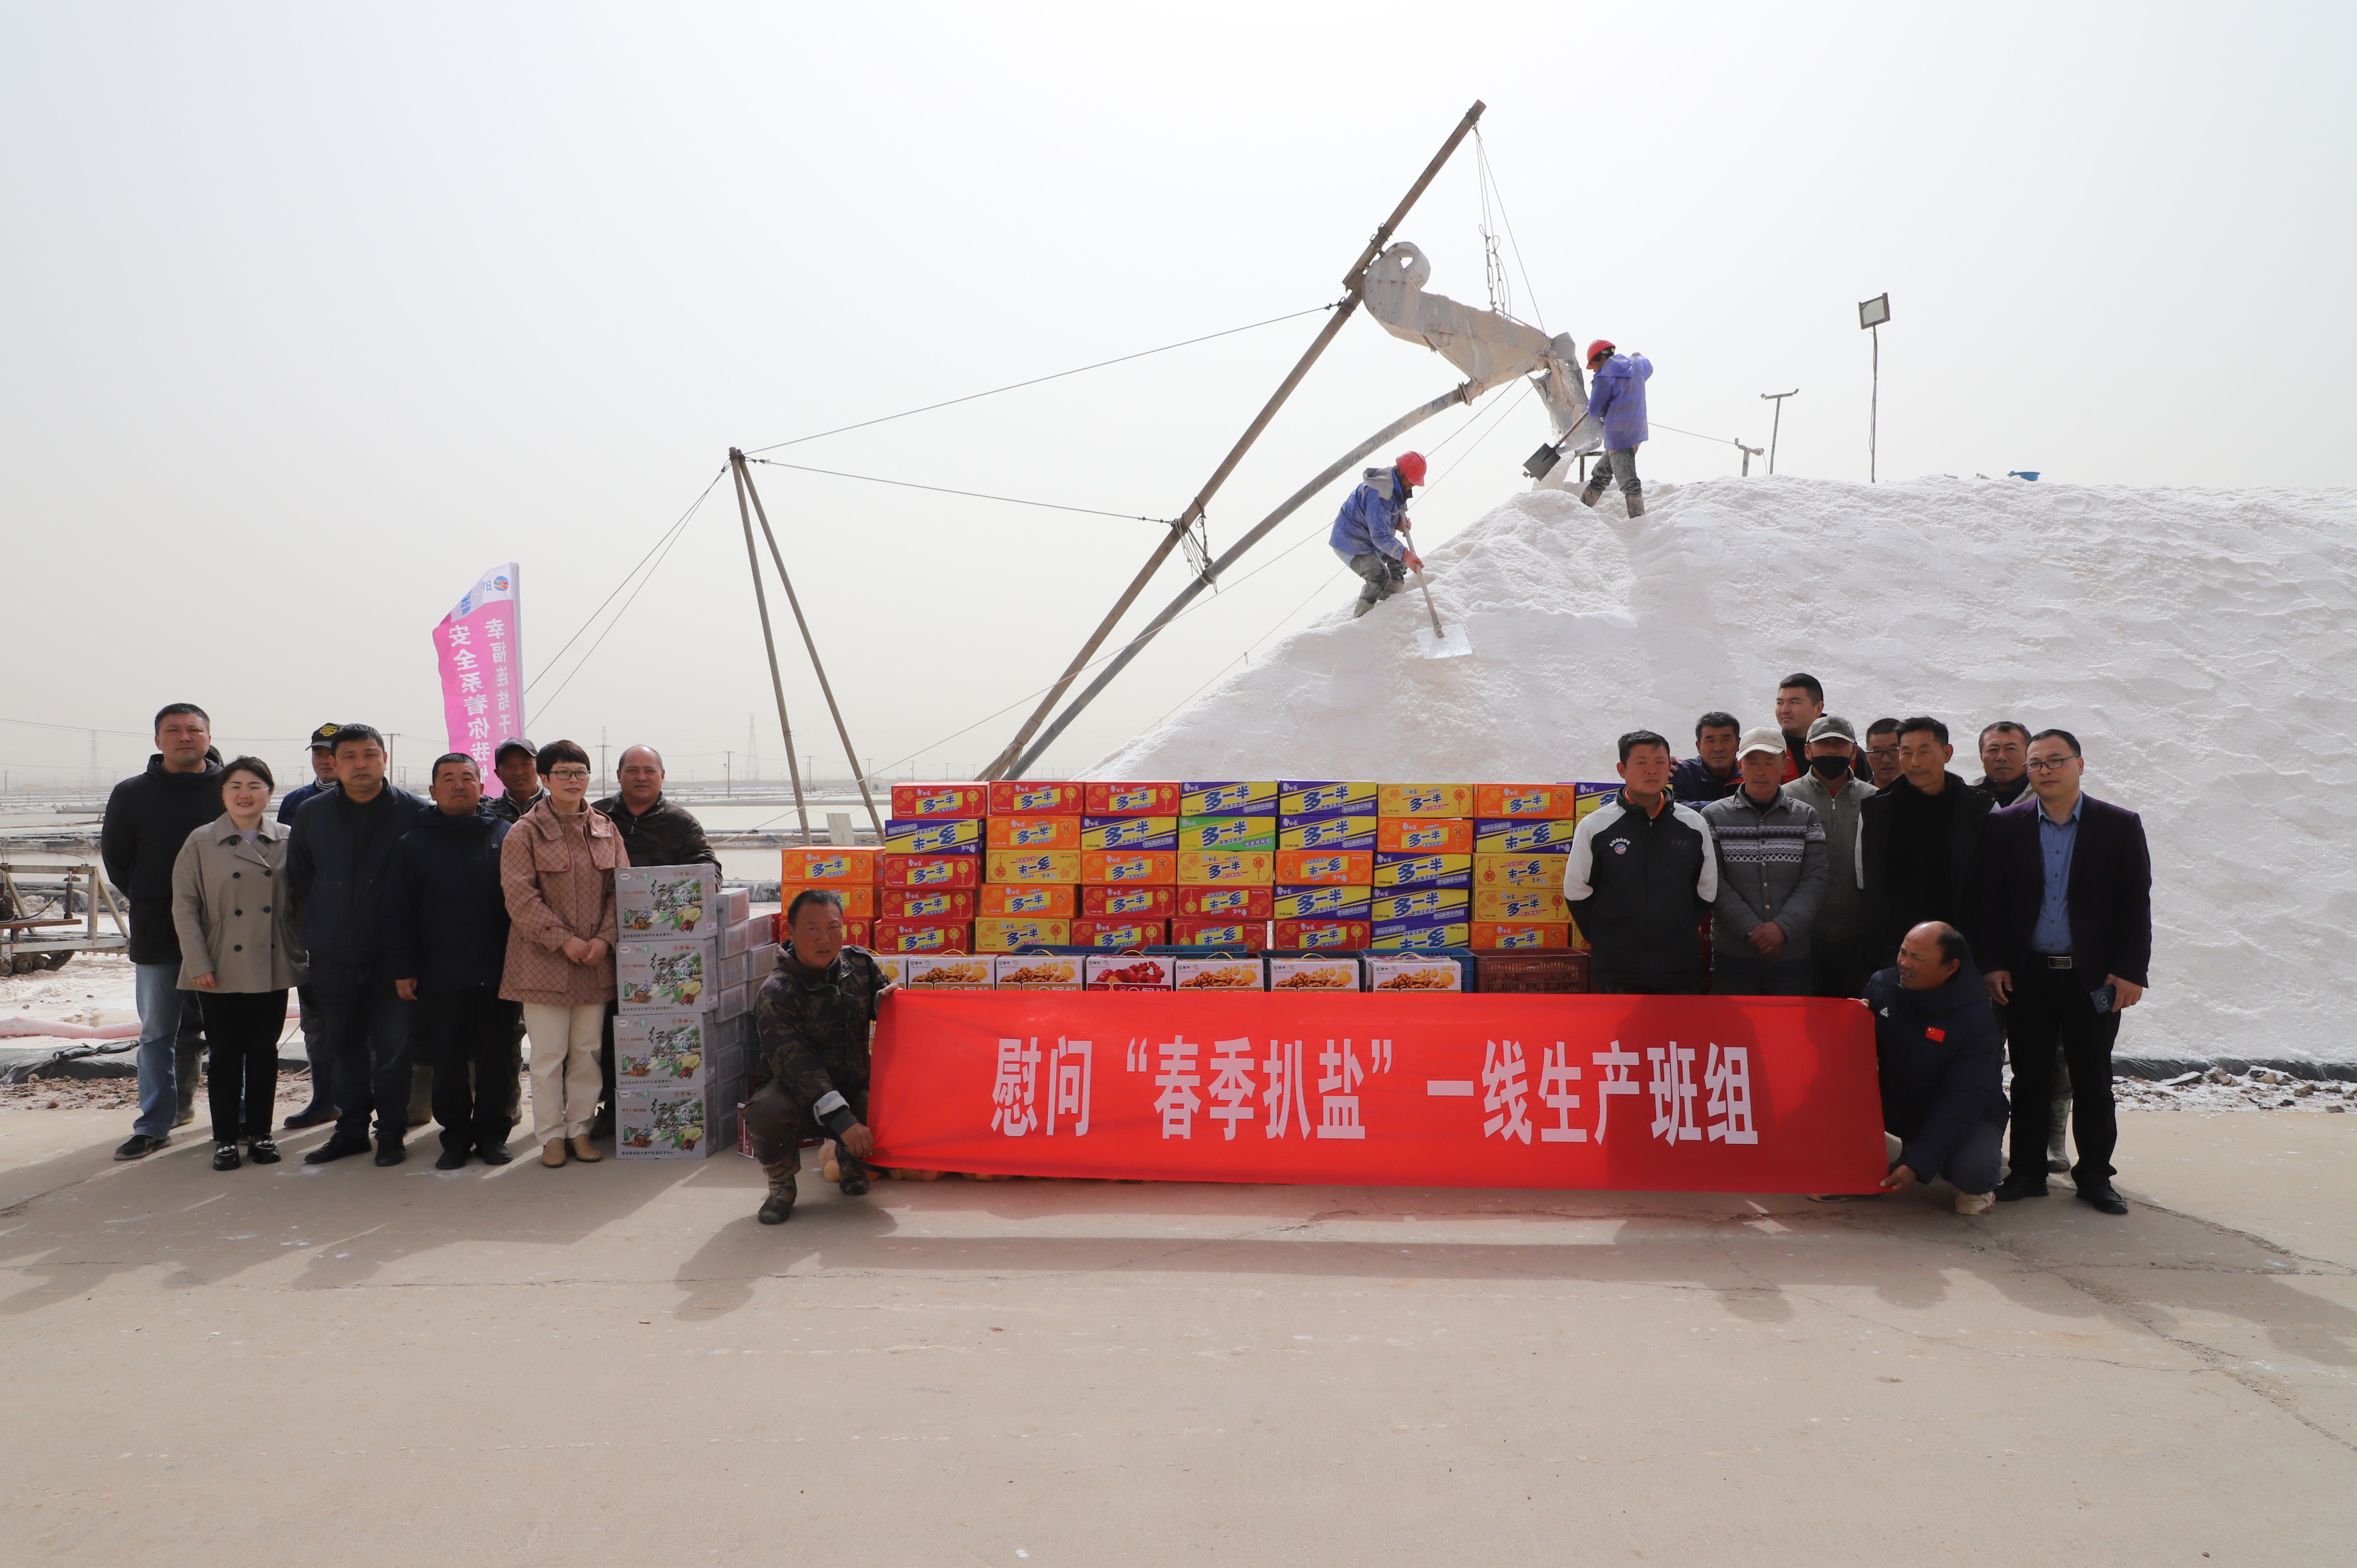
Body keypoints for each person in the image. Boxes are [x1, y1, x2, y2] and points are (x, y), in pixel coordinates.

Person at [1976, 729, 2152, 1215]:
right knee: (2029, 1076)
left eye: (2056, 761)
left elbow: (2134, 904)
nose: (2046, 771)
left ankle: (2095, 1176)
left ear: (2079, 764)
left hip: (2094, 978)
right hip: (2028, 974)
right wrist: (1993, 963)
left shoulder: (2118, 825)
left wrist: (2130, 971)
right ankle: (2027, 1172)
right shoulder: (2005, 826)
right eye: (2036, 764)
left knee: (2093, 1077)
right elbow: (1990, 903)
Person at [286, 723, 432, 1166]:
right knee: (343, 1048)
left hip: (394, 957)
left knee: (394, 1050)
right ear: (334, 762)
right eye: (349, 756)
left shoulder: (414, 812)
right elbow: (301, 880)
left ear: (385, 758)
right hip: (333, 955)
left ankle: (391, 1132)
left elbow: (426, 886)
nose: (360, 764)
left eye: (369, 754)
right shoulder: (312, 814)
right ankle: (350, 1129)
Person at [100, 703, 226, 1160]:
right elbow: (117, 860)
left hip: (224, 930)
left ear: (208, 736)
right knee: (157, 1032)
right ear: (158, 741)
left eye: (194, 729)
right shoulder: (132, 793)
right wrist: (156, 897)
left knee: (231, 1029)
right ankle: (154, 1123)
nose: (184, 737)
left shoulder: (230, 787)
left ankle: (239, 1118)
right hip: (158, 928)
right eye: (173, 730)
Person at [169, 757, 305, 1171]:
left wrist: (298, 950)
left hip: (271, 960)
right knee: (225, 1054)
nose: (245, 794)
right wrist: (198, 962)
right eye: (236, 786)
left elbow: (302, 901)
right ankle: (226, 1139)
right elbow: (185, 907)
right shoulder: (201, 841)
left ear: (270, 792)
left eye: (254, 786)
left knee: (264, 1053)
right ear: (223, 793)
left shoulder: (289, 838)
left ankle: (262, 1133)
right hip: (219, 962)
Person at [385, 754, 519, 1170]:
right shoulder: (413, 844)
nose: (459, 785)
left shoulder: (506, 836)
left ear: (482, 787)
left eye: (467, 778)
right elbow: (397, 913)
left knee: (497, 1059)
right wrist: (404, 968)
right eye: (448, 779)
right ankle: (456, 1138)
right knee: (448, 1061)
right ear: (433, 791)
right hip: (440, 973)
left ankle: (493, 1135)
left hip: (500, 971)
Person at [499, 740, 623, 1168]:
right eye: (564, 773)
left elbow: (621, 890)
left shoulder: (606, 828)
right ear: (545, 779)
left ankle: (580, 1129)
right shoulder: (525, 832)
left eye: (580, 772)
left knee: (587, 1052)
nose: (574, 780)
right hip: (543, 962)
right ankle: (551, 1136)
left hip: (594, 961)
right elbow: (520, 898)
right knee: (548, 1056)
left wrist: (605, 939)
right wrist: (564, 940)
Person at [742, 888, 896, 1224]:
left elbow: (884, 1005)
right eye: (812, 929)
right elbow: (798, 1067)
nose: (824, 939)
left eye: (833, 927)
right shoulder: (776, 993)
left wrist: (889, 1003)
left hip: (854, 1084)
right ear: (791, 932)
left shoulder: (860, 965)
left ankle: (852, 1162)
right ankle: (782, 1187)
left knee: (893, 1100)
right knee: (764, 1111)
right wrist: (843, 1121)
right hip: (799, 1096)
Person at [1862, 922, 2010, 1215]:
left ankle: (1980, 1181)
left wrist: (1917, 1166)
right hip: (1902, 1101)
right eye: (1903, 952)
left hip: (1967, 1113)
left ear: (1951, 967)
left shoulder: (1976, 1019)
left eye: (1917, 958)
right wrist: (1851, 1020)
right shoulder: (1883, 986)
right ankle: (1914, 1146)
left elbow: (1963, 1101)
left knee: (1973, 1171)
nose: (1905, 963)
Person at [1564, 730, 1717, 995]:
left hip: (1678, 965)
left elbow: (1707, 889)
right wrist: (1605, 936)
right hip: (1617, 967)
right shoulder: (1595, 826)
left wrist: (1678, 925)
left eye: (1660, 762)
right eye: (1642, 762)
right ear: (1622, 770)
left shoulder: (1693, 823)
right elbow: (1576, 890)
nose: (1652, 770)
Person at [1699, 727, 1827, 996]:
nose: (1761, 771)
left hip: (1791, 955)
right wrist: (1751, 929)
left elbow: (1815, 879)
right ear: (1740, 765)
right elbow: (1713, 881)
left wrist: (1783, 928)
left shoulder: (1806, 817)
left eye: (1770, 762)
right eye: (1753, 762)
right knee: (1732, 1024)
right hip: (1733, 956)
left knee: (1789, 1023)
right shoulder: (1713, 817)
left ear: (1785, 765)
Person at [1858, 717, 1992, 969]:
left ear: (1947, 753)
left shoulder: (1980, 809)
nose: (1915, 763)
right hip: (1895, 945)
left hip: (1962, 943)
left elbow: (1994, 887)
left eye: (1924, 751)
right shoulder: (1877, 810)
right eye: (1906, 752)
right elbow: (1864, 879)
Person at [277, 722, 344, 1127]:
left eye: (333, 752)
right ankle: (325, 1099)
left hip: (361, 929)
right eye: (319, 752)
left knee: (365, 1022)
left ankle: (370, 1102)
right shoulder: (296, 803)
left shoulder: (374, 800)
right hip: (312, 929)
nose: (326, 760)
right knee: (316, 1020)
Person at [1782, 715, 1879, 997]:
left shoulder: (1875, 799)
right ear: (1808, 751)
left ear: (1854, 751)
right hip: (1801, 936)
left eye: (1840, 744)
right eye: (1824, 744)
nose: (1832, 751)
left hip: (1857, 935)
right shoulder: (1786, 799)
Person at [1327, 451, 1427, 619]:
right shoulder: (1380, 493)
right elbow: (1380, 536)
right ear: (1401, 471)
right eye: (1411, 481)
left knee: (1398, 562)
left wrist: (1396, 521)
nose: (1412, 485)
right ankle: (1362, 620)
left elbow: (1382, 517)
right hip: (1351, 541)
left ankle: (1388, 606)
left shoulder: (1396, 487)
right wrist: (1406, 554)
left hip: (1369, 538)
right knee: (1379, 576)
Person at [593, 745, 720, 867]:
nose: (641, 777)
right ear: (619, 776)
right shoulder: (595, 816)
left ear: (662, 775)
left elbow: (709, 869)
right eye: (632, 771)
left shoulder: (682, 822)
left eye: (650, 771)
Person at [1576, 342, 1651, 517]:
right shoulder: (1636, 366)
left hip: (1618, 436)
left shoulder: (1604, 377)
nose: (1594, 370)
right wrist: (1638, 357)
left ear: (1602, 359)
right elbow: (1648, 365)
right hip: (1637, 431)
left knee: (1629, 482)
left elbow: (1596, 411)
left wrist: (1590, 408)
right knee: (1601, 474)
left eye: (1594, 365)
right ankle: (1581, 513)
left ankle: (1638, 522)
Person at [275, 723, 343, 825]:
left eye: (332, 754)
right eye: (318, 754)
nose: (325, 761)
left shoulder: (362, 798)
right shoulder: (294, 800)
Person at [1668, 711, 1742, 803]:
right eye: (1710, 741)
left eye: (1726, 740)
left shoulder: (1748, 774)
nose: (1718, 748)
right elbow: (1671, 806)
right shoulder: (1679, 773)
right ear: (1698, 746)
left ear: (1738, 744)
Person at [1773, 674, 1826, 782]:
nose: (1784, 710)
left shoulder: (1845, 751)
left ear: (1818, 708)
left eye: (1794, 703)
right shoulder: (1771, 752)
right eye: (1780, 703)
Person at [486, 736, 547, 824]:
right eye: (509, 766)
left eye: (525, 764)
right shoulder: (486, 814)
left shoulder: (558, 808)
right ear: (498, 773)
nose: (519, 772)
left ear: (539, 766)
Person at [1975, 721, 2032, 808]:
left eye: (2011, 748)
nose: (2001, 757)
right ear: (1982, 758)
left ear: (2029, 755)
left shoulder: (2045, 793)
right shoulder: (1968, 796)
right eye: (1993, 749)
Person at [1862, 718, 1904, 791]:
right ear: (1867, 756)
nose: (1886, 760)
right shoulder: (1857, 796)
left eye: (1894, 750)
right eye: (1877, 752)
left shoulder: (1924, 795)